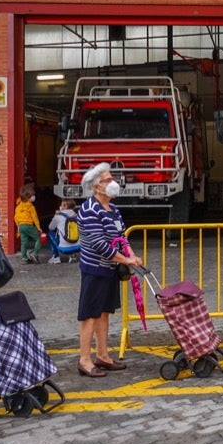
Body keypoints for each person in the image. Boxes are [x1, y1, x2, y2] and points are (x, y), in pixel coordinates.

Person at [76, 162, 142, 377]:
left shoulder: (113, 209)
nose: (113, 183)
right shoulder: (89, 210)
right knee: (90, 314)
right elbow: (100, 245)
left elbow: (120, 237)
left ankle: (102, 355)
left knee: (104, 312)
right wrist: (127, 260)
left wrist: (130, 255)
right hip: (95, 269)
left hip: (110, 269)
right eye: (107, 180)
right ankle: (84, 360)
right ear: (96, 187)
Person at [14, 183, 42, 264]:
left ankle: (24, 258)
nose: (33, 197)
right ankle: (35, 254)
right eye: (32, 195)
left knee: (24, 242)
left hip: (21, 226)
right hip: (28, 225)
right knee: (38, 238)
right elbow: (35, 217)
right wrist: (38, 227)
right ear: (28, 197)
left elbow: (15, 217)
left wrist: (18, 225)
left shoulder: (18, 206)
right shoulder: (31, 207)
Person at [47, 198, 81, 264]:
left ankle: (56, 257)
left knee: (50, 233)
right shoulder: (78, 216)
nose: (60, 206)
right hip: (78, 247)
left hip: (64, 249)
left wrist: (55, 216)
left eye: (61, 205)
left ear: (65, 206)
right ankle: (73, 255)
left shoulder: (58, 217)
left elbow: (50, 227)